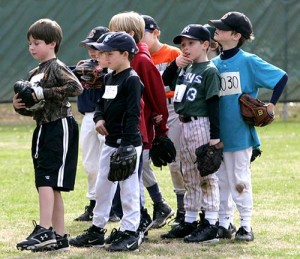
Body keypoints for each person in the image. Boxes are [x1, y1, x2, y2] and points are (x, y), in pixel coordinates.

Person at [208, 11, 288, 241]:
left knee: (239, 179)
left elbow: (281, 77)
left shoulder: (248, 61)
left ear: (236, 35)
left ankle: (245, 225)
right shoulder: (213, 64)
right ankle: (224, 224)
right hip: (216, 133)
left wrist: (271, 105)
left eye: (223, 28)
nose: (217, 30)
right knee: (220, 180)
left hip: (240, 132)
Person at [69, 31, 144, 252]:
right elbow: (100, 103)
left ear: (125, 54)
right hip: (110, 141)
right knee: (103, 186)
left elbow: (133, 114)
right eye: (104, 53)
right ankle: (96, 229)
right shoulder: (109, 77)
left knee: (128, 189)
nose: (104, 57)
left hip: (128, 142)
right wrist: (100, 118)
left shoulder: (132, 80)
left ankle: (131, 231)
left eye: (110, 53)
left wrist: (127, 146)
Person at [13, 18, 83, 252]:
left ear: (52, 43)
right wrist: (19, 105)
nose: (32, 47)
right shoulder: (35, 71)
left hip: (59, 125)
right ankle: (59, 236)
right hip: (42, 126)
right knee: (49, 183)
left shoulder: (56, 66)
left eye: (37, 43)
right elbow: (32, 104)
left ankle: (44, 229)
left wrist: (43, 92)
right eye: (29, 43)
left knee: (47, 178)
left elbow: (76, 87)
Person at [108, 11, 174, 232]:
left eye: (115, 32)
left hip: (138, 129)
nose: (110, 36)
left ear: (130, 34)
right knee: (123, 176)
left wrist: (161, 129)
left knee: (132, 176)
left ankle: (140, 219)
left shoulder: (142, 61)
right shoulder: (119, 60)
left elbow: (157, 97)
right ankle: (141, 215)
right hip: (118, 127)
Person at [160, 24, 221, 243]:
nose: (185, 48)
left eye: (191, 43)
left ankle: (211, 223)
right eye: (183, 44)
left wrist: (215, 137)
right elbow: (165, 80)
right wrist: (175, 65)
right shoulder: (186, 68)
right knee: (189, 174)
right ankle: (191, 220)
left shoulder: (209, 70)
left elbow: (214, 105)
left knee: (206, 174)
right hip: (184, 124)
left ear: (205, 45)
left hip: (201, 124)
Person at [73, 26, 121, 223]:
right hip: (87, 117)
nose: (92, 51)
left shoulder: (113, 70)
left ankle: (111, 207)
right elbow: (68, 73)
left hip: (106, 117)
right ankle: (93, 204)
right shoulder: (84, 66)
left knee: (108, 163)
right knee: (89, 164)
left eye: (96, 46)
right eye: (89, 46)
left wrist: (104, 74)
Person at [141, 14, 185, 226]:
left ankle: (183, 209)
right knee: (141, 161)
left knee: (175, 162)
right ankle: (160, 204)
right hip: (149, 113)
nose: (140, 39)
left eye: (144, 34)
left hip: (173, 109)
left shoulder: (173, 53)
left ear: (156, 32)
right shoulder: (138, 57)